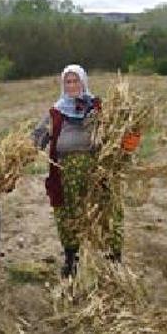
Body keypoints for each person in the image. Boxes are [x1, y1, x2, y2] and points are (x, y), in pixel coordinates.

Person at [32, 64, 139, 277]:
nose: (72, 85)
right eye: (68, 82)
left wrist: (131, 136)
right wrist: (20, 152)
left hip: (98, 169)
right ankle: (72, 258)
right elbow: (37, 138)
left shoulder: (99, 108)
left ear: (84, 82)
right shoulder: (56, 112)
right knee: (68, 214)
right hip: (66, 173)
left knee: (107, 211)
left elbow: (121, 131)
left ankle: (113, 258)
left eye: (76, 81)